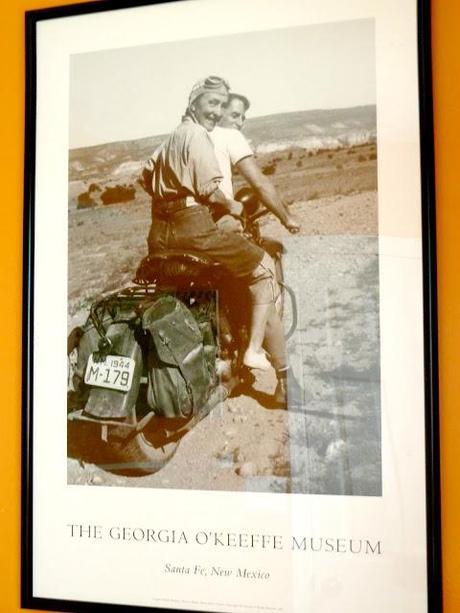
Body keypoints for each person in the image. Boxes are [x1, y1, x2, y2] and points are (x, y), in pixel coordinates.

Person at [207, 92, 302, 404]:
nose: (239, 122)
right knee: (264, 284)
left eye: (242, 116)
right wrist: (287, 218)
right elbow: (261, 184)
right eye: (235, 114)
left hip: (181, 234)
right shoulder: (227, 136)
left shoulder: (183, 139)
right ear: (217, 111)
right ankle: (284, 383)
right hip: (219, 230)